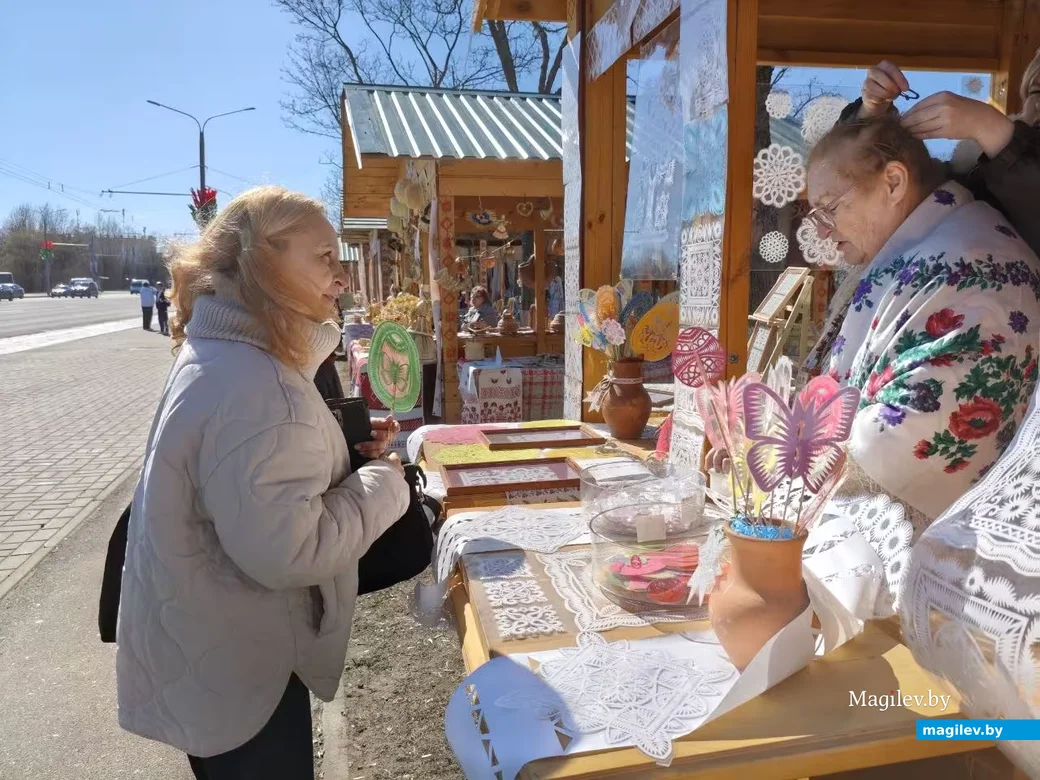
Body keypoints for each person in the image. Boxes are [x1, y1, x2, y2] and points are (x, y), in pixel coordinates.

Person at [116, 186, 411, 779]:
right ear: (261, 263)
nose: (343, 277)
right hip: (239, 671)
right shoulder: (259, 384)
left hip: (204, 646)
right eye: (324, 257)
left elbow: (249, 480)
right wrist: (386, 480)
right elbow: (293, 550)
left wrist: (336, 459)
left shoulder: (224, 351)